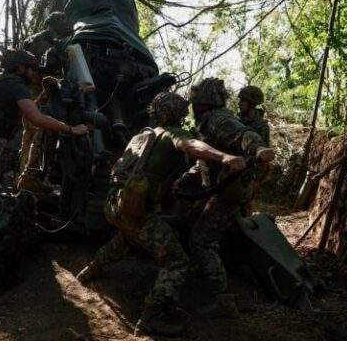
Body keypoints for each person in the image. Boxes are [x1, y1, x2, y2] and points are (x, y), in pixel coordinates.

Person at [76, 92, 246, 337]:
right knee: (176, 262)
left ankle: (91, 269)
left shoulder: (143, 133)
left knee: (128, 237)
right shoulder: (171, 134)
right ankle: (152, 317)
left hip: (114, 204)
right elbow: (190, 145)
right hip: (135, 209)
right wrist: (225, 156)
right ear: (175, 114)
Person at [186, 78, 275, 317]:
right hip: (218, 188)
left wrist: (257, 150)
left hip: (229, 191)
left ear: (203, 103)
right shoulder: (211, 119)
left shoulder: (219, 119)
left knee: (201, 241)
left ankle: (223, 300)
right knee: (202, 227)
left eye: (196, 102)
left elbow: (245, 135)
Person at [0, 50, 89, 188]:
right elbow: (36, 118)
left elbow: (27, 112)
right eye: (32, 69)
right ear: (21, 68)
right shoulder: (16, 85)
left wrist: (44, 94)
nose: (34, 74)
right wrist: (71, 129)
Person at [16, 12, 75, 193]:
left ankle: (23, 177)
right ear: (54, 26)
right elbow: (44, 71)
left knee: (29, 136)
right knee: (38, 136)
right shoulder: (43, 43)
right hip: (36, 92)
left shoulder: (36, 40)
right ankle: (29, 179)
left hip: (31, 92)